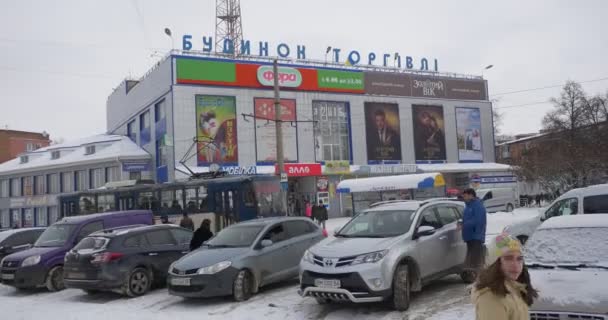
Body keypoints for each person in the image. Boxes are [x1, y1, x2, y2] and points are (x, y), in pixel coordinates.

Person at [472, 233, 538, 320]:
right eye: (508, 258)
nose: (515, 265)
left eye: (519, 259)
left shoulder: (515, 287)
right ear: (494, 262)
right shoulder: (491, 298)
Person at [460, 188, 487, 280]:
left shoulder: (477, 205)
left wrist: (464, 224)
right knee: (472, 258)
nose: (464, 197)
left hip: (476, 235)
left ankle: (478, 279)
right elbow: (467, 219)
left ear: (471, 195)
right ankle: (474, 278)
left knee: (475, 260)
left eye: (465, 195)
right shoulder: (468, 206)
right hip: (469, 236)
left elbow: (478, 221)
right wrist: (461, 222)